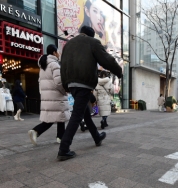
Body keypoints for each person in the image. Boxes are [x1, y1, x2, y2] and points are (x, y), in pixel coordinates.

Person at [59, 26, 122, 161]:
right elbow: (106, 60)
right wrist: (119, 71)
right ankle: (64, 148)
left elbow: (62, 65)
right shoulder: (92, 42)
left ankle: (96, 137)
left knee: (85, 112)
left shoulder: (68, 44)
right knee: (77, 115)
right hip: (84, 83)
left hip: (72, 83)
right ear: (91, 35)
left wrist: (66, 85)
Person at [27, 44, 70, 146]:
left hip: (48, 96)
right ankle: (36, 131)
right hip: (56, 95)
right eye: (58, 51)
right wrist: (65, 92)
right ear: (54, 53)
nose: (59, 53)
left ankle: (60, 137)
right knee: (55, 118)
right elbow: (59, 82)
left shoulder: (43, 65)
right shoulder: (54, 65)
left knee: (58, 116)